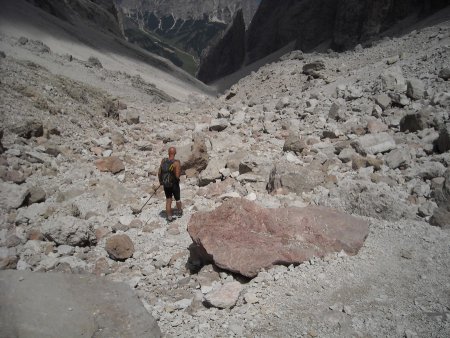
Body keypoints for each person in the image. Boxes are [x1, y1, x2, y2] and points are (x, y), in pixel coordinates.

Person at [158, 146, 182, 222]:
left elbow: (159, 172)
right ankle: (179, 211)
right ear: (175, 153)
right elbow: (177, 175)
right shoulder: (176, 162)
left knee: (168, 199)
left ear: (168, 153)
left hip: (166, 183)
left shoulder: (163, 161)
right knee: (177, 199)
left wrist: (161, 181)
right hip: (174, 184)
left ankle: (169, 217)